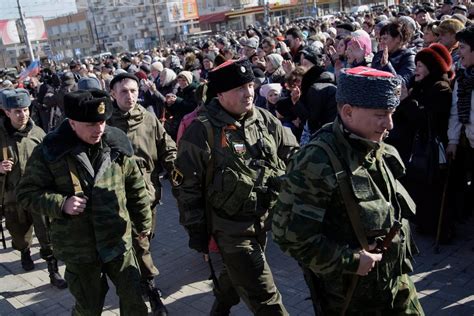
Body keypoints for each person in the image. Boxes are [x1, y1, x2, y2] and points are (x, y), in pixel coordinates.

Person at [273, 66, 424, 315]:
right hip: (353, 297)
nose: (390, 124)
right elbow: (290, 236)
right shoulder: (318, 160)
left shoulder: (376, 146)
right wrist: (351, 260)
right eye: (381, 114)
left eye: (392, 113)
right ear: (348, 112)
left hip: (395, 284)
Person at [172, 59, 298, 315]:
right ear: (220, 94)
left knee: (234, 276)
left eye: (250, 85)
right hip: (231, 229)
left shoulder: (264, 119)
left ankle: (220, 308)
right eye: (239, 88)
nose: (248, 93)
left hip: (264, 220)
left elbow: (292, 155)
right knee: (266, 298)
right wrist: (198, 235)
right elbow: (187, 190)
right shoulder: (201, 131)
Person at [16, 89, 151, 315]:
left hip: (118, 242)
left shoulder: (115, 144)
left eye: (101, 122)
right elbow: (26, 193)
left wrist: (143, 224)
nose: (98, 129)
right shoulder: (50, 151)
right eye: (90, 124)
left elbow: (135, 187)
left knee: (135, 302)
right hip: (79, 250)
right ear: (72, 123)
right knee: (88, 308)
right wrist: (61, 203)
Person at [108, 72, 177, 316]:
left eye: (134, 91)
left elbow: (166, 146)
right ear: (113, 94)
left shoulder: (148, 119)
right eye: (124, 91)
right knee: (139, 243)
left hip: (149, 195)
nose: (130, 96)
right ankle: (150, 288)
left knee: (146, 239)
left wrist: (176, 168)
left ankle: (141, 276)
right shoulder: (105, 125)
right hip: (119, 198)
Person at [0, 88, 67, 289]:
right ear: (6, 112)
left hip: (38, 194)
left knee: (46, 233)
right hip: (13, 196)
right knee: (19, 233)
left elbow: (53, 161)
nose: (23, 115)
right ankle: (24, 251)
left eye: (26, 109)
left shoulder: (38, 133)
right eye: (17, 111)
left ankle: (53, 270)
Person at [446, 26, 474, 222]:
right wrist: (453, 140)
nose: (459, 52)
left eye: (463, 48)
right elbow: (456, 110)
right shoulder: (463, 76)